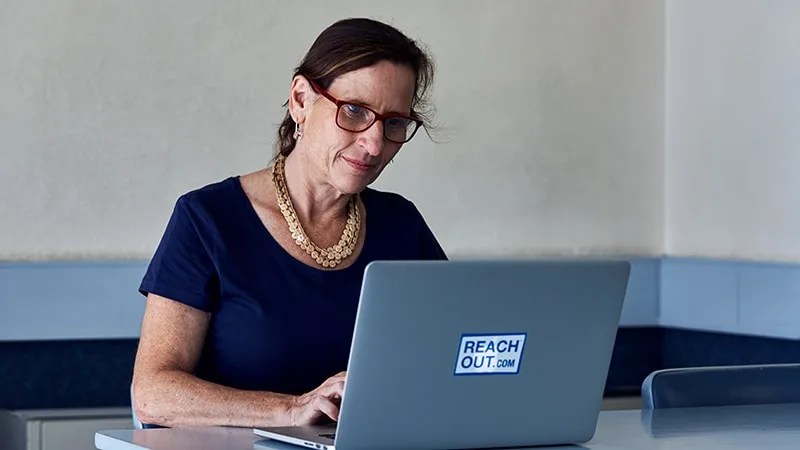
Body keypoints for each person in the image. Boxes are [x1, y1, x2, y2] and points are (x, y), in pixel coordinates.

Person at [131, 17, 447, 429]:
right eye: (353, 111)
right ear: (301, 99)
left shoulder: (401, 224)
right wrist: (291, 408)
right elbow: (153, 395)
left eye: (394, 123)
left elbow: (450, 355)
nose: (373, 144)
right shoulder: (207, 220)